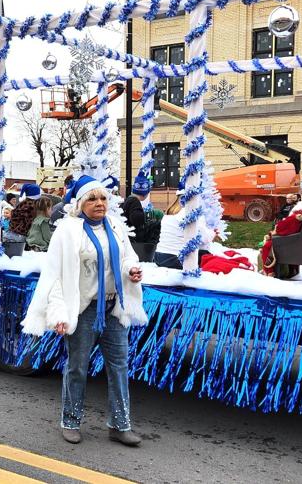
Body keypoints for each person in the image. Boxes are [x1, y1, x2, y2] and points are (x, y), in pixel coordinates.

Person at [21, 175, 147, 446]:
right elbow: (55, 276)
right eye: (92, 198)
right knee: (77, 367)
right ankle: (70, 421)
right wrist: (58, 313)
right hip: (83, 309)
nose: (100, 203)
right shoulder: (67, 231)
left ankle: (120, 425)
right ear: (80, 204)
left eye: (103, 198)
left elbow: (126, 257)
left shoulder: (115, 225)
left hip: (114, 306)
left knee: (119, 367)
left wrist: (131, 271)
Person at [259, 188, 302, 278]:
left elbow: (285, 228)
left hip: (298, 245)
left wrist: (272, 233)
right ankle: (292, 271)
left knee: (268, 245)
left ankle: (269, 271)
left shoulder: (300, 216)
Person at [154, 189, 214, 269]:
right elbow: (203, 238)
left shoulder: (168, 213)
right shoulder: (191, 213)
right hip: (177, 259)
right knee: (207, 255)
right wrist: (213, 233)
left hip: (159, 257)